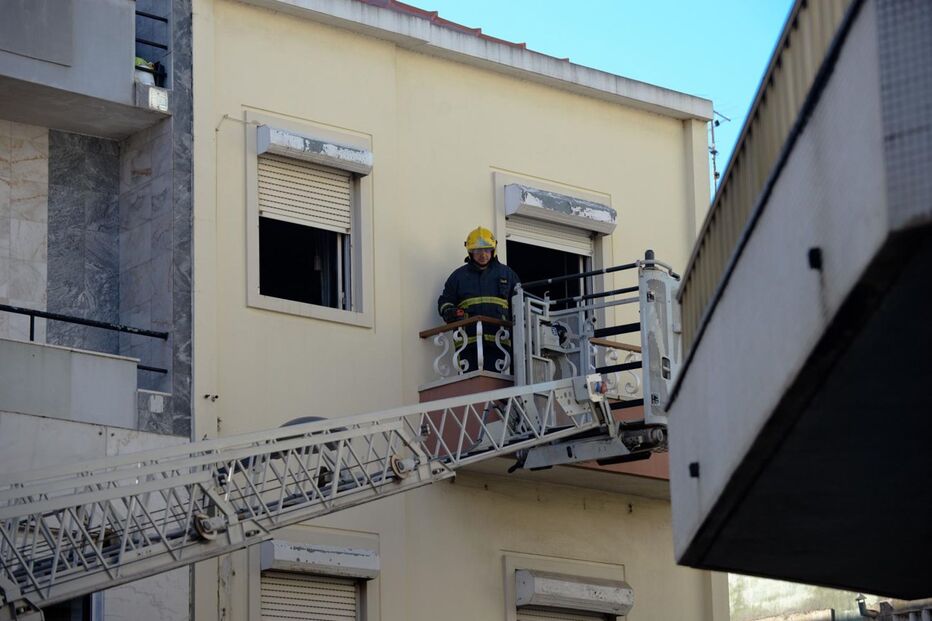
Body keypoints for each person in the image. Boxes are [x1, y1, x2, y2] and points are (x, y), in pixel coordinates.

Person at [437, 227, 520, 372]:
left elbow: (520, 306)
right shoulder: (458, 277)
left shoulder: (507, 274)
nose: (483, 255)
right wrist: (450, 311)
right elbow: (445, 301)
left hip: (500, 347)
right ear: (470, 252)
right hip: (468, 348)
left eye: (487, 250)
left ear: (493, 250)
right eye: (477, 251)